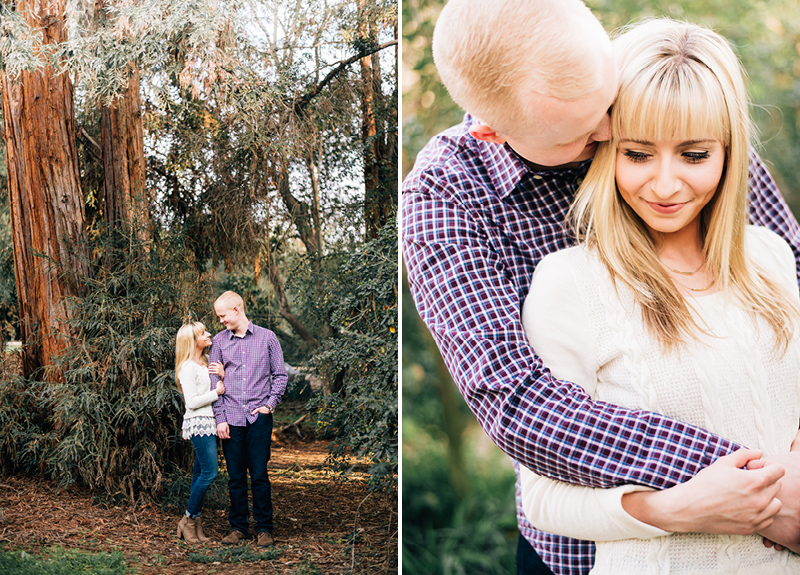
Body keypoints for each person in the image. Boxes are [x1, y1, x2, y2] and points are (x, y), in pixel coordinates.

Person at [400, 0, 800, 573]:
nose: (615, 126)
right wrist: (762, 488)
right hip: (581, 545)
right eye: (596, 136)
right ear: (495, 130)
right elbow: (517, 401)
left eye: (612, 101)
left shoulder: (631, 91)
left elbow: (787, 283)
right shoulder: (448, 196)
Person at [518, 18, 800, 573]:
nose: (666, 185)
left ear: (728, 153)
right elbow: (543, 499)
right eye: (639, 154)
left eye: (694, 156)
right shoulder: (570, 283)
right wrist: (677, 509)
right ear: (605, 151)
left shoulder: (772, 258)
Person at [209, 290, 287, 547]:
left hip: (258, 418)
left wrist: (269, 405)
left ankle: (264, 528)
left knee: (260, 475)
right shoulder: (219, 341)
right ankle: (238, 527)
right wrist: (220, 418)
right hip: (230, 417)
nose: (221, 321)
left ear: (236, 310)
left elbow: (280, 376)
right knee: (235, 477)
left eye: (223, 316)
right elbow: (214, 382)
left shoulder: (268, 338)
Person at [174, 321, 226, 544]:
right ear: (191, 340)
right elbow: (192, 402)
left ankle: (195, 523)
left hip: (212, 422)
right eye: (203, 333)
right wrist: (216, 392)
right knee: (210, 473)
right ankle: (188, 520)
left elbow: (220, 387)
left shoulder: (205, 362)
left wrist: (222, 376)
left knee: (199, 474)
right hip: (199, 423)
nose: (209, 334)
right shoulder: (187, 367)